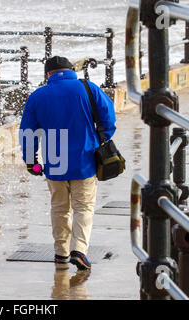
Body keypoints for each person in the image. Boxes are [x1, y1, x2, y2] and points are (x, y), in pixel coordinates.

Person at [19, 56, 116, 270]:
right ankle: (79, 250)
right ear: (71, 70)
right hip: (85, 157)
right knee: (83, 207)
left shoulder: (37, 96)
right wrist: (101, 139)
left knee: (60, 208)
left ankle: (61, 253)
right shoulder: (88, 88)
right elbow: (109, 118)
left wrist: (31, 161)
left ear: (48, 74)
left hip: (54, 159)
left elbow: (27, 133)